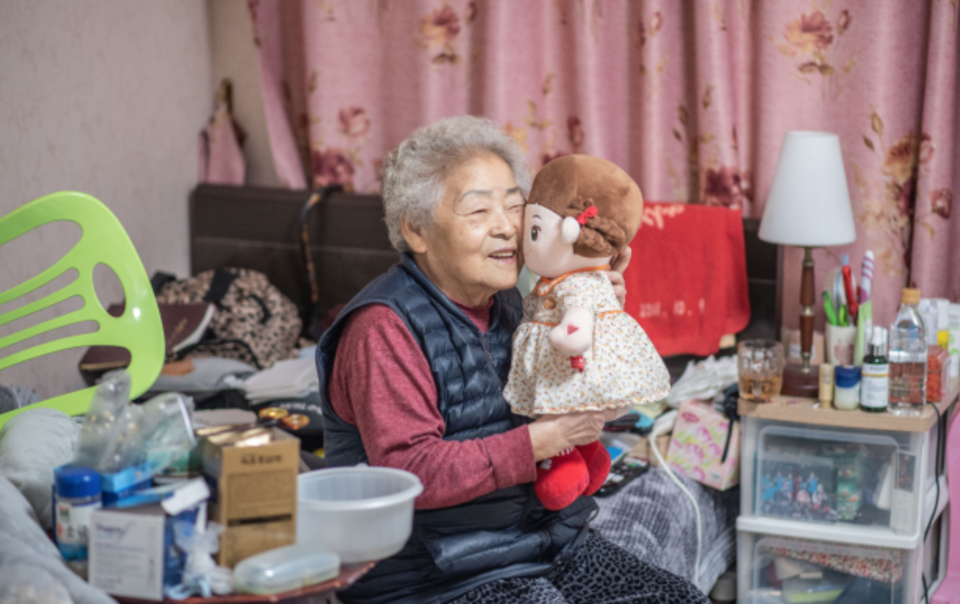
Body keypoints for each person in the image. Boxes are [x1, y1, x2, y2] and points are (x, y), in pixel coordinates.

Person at [317, 115, 709, 604]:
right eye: (478, 211)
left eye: (515, 207)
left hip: (544, 548)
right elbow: (411, 471)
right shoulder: (382, 329)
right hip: (437, 579)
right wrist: (539, 441)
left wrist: (598, 318)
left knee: (680, 599)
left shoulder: (511, 307)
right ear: (416, 230)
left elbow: (560, 388)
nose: (506, 228)